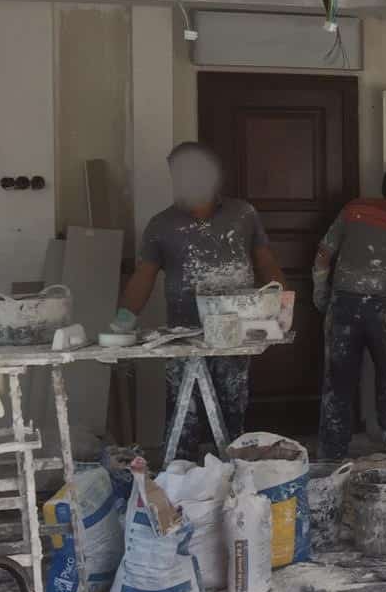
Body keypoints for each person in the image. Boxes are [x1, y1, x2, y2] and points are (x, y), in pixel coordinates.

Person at [112, 142, 285, 459]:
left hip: (236, 334)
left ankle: (232, 478)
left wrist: (282, 307)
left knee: (232, 412)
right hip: (185, 336)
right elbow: (143, 277)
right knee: (184, 417)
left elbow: (265, 262)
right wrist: (122, 323)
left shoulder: (243, 215)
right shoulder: (161, 225)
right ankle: (183, 479)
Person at [312, 166, 386, 461]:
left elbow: (323, 255)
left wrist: (321, 293)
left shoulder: (354, 209)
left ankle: (333, 449)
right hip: (384, 307)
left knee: (338, 377)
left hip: (344, 302)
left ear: (384, 188)